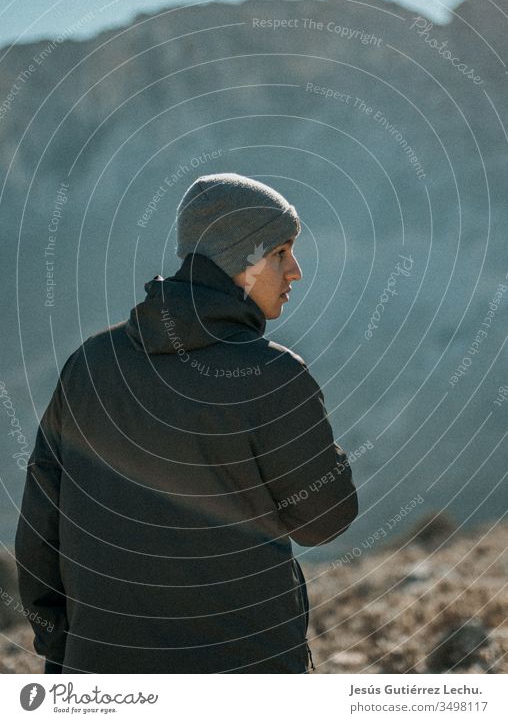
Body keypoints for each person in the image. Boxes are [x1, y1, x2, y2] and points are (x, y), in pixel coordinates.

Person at [15, 172, 358, 674]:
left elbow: (40, 529)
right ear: (247, 257)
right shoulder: (274, 376)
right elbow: (325, 520)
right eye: (284, 252)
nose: (296, 272)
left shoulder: (88, 366)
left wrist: (64, 652)